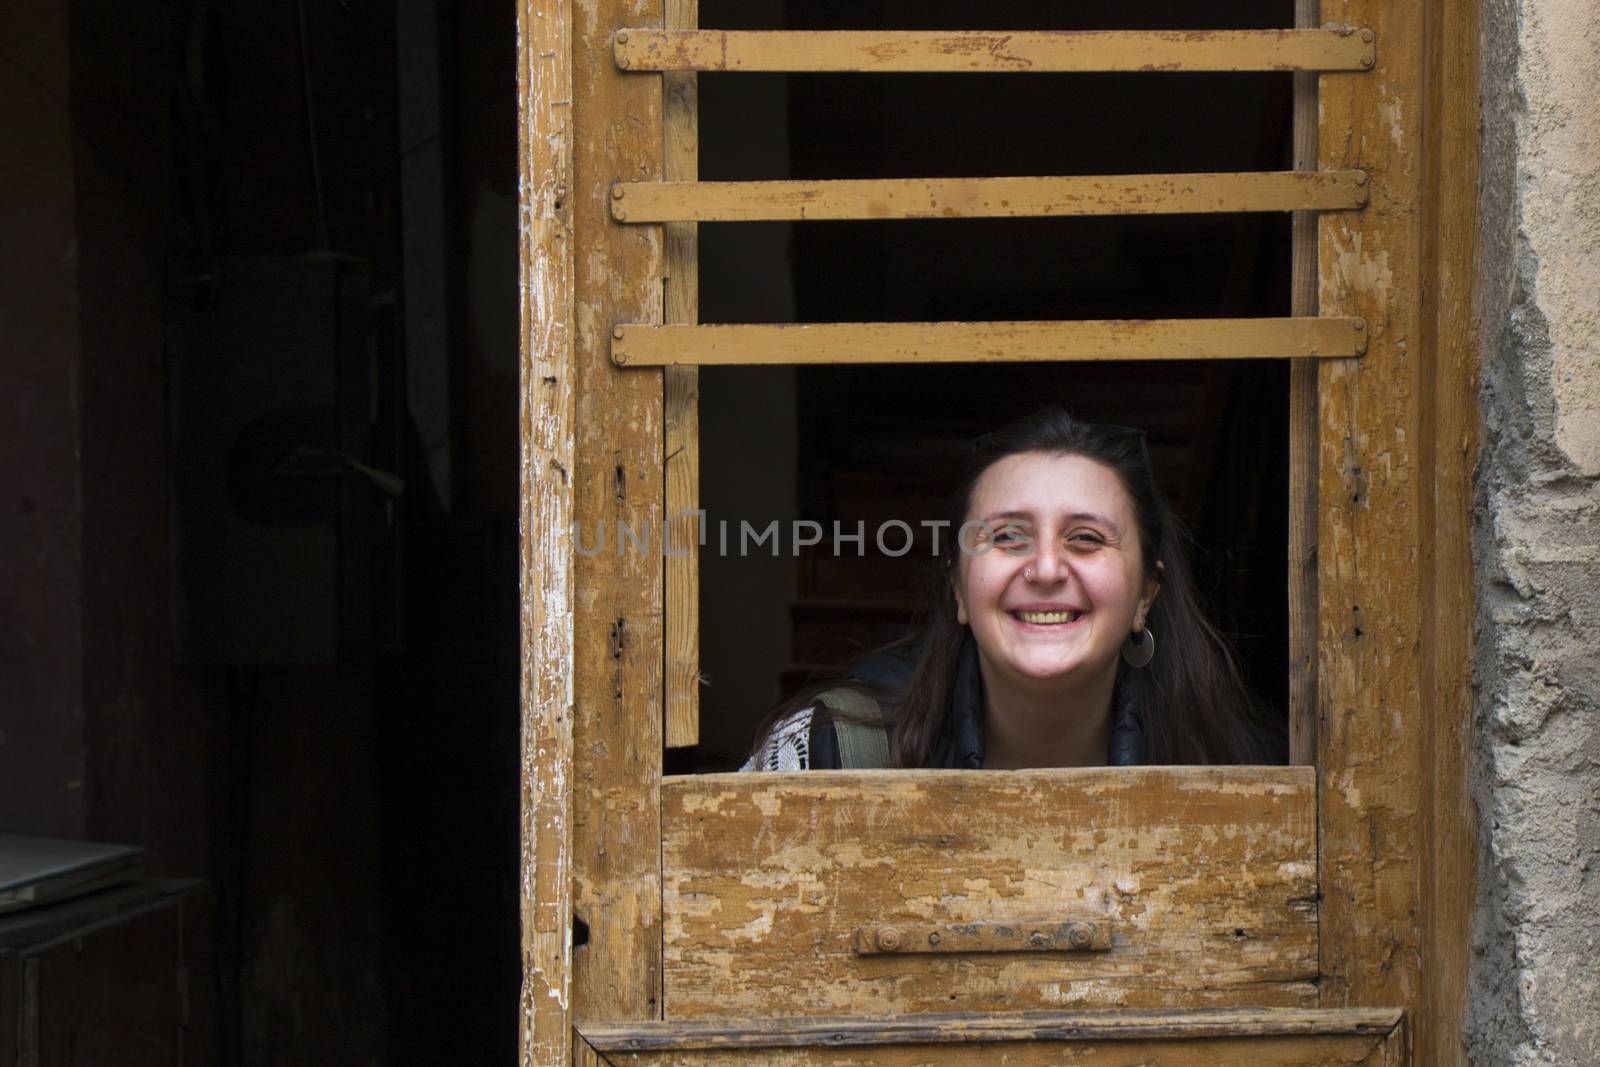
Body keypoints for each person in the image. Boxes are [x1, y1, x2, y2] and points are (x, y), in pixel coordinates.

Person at [742, 406, 1282, 771]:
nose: (1046, 568)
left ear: (1146, 594)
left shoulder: (1245, 770)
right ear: (958, 587)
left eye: (1087, 538)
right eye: (1007, 537)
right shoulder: (829, 753)